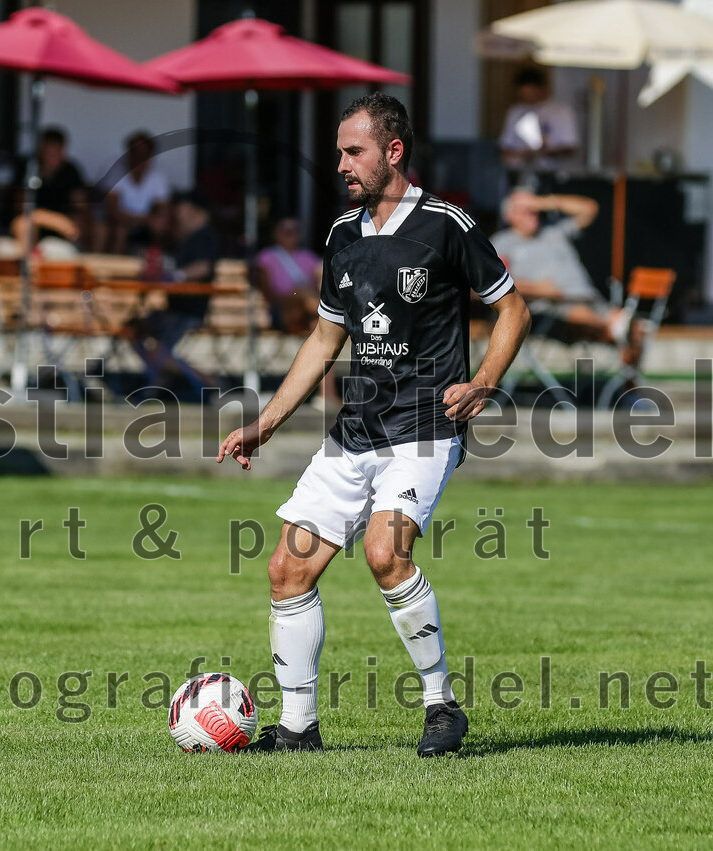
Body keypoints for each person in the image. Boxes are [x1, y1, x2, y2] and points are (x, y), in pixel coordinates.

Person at [217, 93, 531, 756]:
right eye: (339, 152)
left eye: (352, 151)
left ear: (393, 151)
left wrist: (484, 381)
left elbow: (513, 310)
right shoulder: (343, 234)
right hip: (355, 430)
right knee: (287, 569)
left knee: (386, 554)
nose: (341, 165)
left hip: (424, 428)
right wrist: (266, 422)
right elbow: (324, 337)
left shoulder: (446, 224)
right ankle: (298, 729)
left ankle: (442, 707)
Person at [491, 188, 641, 365]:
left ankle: (624, 367)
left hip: (588, 299)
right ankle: (615, 329)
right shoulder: (502, 243)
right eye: (525, 210)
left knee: (636, 328)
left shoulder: (554, 231)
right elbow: (493, 283)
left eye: (534, 210)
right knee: (594, 319)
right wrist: (537, 289)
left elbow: (589, 209)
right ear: (509, 216)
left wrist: (543, 202)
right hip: (551, 309)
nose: (532, 214)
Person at [130, 190, 219, 396]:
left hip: (187, 312)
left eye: (182, 207)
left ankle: (206, 380)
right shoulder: (186, 236)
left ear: (193, 210)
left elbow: (204, 267)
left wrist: (176, 276)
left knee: (155, 347)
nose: (178, 212)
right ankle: (163, 375)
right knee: (134, 328)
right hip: (174, 309)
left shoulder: (204, 235)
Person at [254, 218, 340, 410]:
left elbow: (321, 284)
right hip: (281, 311)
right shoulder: (267, 257)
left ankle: (327, 395)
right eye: (286, 231)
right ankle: (331, 312)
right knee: (300, 292)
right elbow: (269, 293)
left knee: (322, 330)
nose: (290, 235)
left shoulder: (309, 258)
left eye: (294, 231)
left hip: (307, 315)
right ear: (276, 234)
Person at [11, 125, 90, 250]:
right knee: (23, 224)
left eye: (58, 150)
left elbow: (81, 206)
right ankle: (29, 261)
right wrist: (52, 219)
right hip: (35, 222)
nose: (54, 155)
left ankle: (79, 258)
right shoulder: (29, 168)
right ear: (41, 150)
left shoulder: (70, 170)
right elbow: (22, 207)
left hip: (64, 224)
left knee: (84, 224)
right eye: (50, 151)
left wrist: (72, 221)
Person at [500, 67, 579, 175]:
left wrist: (543, 154)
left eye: (531, 93)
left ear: (542, 89)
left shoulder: (560, 112)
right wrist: (523, 155)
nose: (528, 98)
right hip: (519, 172)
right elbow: (505, 146)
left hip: (554, 173)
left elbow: (570, 148)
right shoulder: (516, 111)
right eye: (523, 94)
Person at [104, 131, 171, 254]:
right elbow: (114, 211)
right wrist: (144, 219)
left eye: (144, 154)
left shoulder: (158, 175)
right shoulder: (116, 171)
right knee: (120, 229)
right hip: (122, 221)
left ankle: (155, 261)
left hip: (146, 222)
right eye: (135, 153)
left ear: (150, 156)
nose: (139, 158)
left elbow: (164, 208)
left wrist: (157, 219)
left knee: (160, 225)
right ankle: (116, 262)